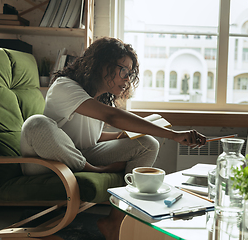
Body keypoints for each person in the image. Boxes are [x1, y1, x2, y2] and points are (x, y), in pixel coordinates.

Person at [20, 36, 206, 240]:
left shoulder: (99, 99)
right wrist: (173, 135)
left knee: (147, 144)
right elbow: (112, 117)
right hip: (44, 159)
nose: (127, 78)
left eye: (130, 72)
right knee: (36, 123)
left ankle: (114, 222)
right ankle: (93, 169)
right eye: (123, 70)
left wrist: (122, 136)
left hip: (81, 153)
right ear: (102, 65)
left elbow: (92, 136)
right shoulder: (64, 86)